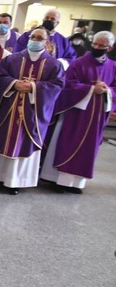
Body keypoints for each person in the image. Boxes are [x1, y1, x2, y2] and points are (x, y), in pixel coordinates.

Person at [0, 28, 64, 194]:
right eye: (33, 37)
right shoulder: (12, 59)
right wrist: (13, 84)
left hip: (33, 113)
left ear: (46, 42)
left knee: (25, 141)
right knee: (3, 138)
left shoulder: (54, 64)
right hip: (9, 110)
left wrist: (33, 86)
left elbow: (57, 86)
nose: (35, 40)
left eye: (39, 38)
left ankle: (15, 181)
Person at [41, 31, 115, 193]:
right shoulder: (79, 63)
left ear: (109, 48)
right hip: (75, 112)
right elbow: (67, 85)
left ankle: (76, 183)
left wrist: (107, 90)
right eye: (95, 44)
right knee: (68, 142)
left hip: (97, 114)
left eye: (101, 46)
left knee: (88, 147)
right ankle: (57, 180)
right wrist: (90, 89)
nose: (96, 47)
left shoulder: (113, 67)